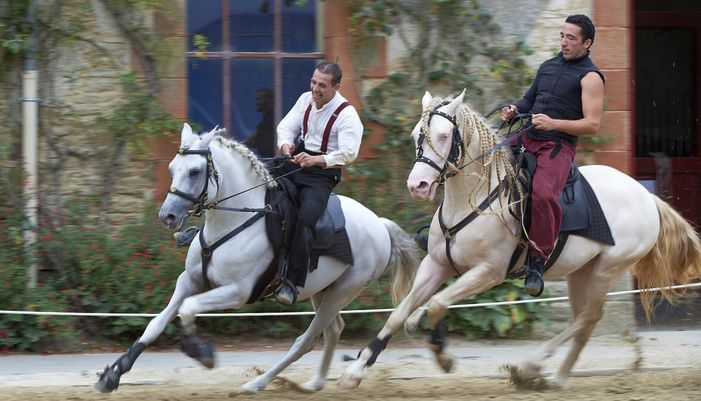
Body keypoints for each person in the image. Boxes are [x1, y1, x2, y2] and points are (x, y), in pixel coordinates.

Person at [500, 14, 605, 297]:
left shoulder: (591, 77)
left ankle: (536, 263)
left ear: (587, 43)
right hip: (528, 136)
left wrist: (554, 124)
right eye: (562, 35)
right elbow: (527, 102)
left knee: (544, 195)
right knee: (483, 165)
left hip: (557, 146)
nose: (564, 42)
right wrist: (512, 110)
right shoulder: (548, 67)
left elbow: (593, 124)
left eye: (571, 38)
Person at [273, 61, 363, 304]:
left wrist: (317, 160)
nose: (315, 88)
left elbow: (348, 153)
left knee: (306, 220)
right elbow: (285, 126)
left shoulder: (347, 115)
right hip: (296, 160)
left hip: (322, 176)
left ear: (336, 87)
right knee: (257, 179)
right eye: (313, 82)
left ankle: (292, 284)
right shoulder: (305, 100)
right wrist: (286, 145)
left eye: (322, 85)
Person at [247, 88, 276, 158]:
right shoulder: (265, 121)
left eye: (259, 99)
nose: (256, 102)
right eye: (256, 99)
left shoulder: (274, 120)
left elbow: (267, 146)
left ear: (269, 100)